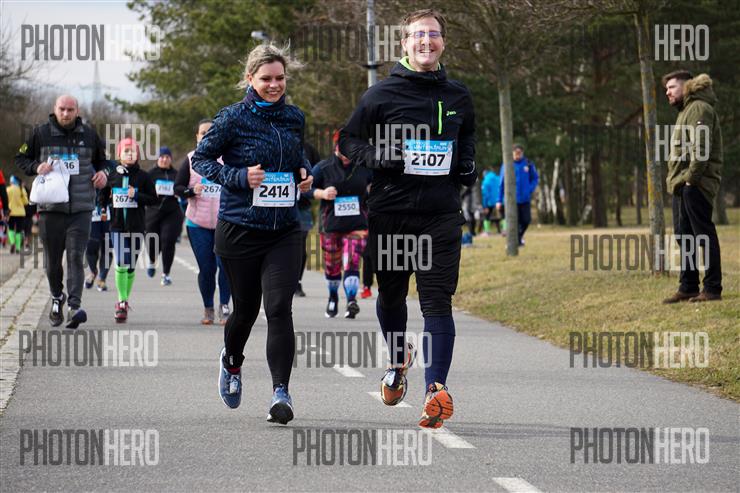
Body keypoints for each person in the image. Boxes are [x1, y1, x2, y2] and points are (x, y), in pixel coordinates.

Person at [339, 9, 476, 428]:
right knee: (391, 297)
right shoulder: (380, 94)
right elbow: (347, 141)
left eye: (433, 34)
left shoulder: (458, 95)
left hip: (440, 214)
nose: (426, 41)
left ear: (443, 43)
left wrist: (467, 163)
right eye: (418, 35)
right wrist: (378, 156)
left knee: (437, 301)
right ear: (403, 43)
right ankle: (398, 361)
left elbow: (467, 136)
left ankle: (435, 390)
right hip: (392, 213)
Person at [192, 43, 313, 424]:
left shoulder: (294, 117)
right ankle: (231, 362)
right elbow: (202, 159)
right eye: (266, 79)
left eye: (280, 78)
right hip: (240, 229)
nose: (274, 85)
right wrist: (239, 176)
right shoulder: (232, 118)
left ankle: (281, 393)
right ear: (250, 79)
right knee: (245, 310)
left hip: (284, 230)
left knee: (279, 308)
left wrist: (304, 173)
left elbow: (297, 156)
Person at [15, 94, 109, 329]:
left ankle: (74, 307)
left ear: (77, 111)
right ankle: (57, 297)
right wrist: (36, 166)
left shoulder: (90, 135)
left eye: (70, 109)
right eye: (62, 109)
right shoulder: (40, 133)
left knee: (76, 256)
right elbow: (21, 157)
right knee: (52, 261)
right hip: (50, 208)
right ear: (54, 109)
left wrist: (103, 174)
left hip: (81, 208)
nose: (66, 113)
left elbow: (104, 162)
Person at [661, 71, 723, 303]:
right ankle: (688, 286)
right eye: (666, 89)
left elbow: (701, 149)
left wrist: (691, 180)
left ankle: (712, 288)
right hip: (682, 185)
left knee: (703, 236)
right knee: (684, 236)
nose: (667, 92)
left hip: (696, 184)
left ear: (687, 86)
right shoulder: (685, 111)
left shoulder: (698, 108)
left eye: (672, 87)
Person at [174, 119, 232, 325]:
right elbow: (177, 188)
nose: (207, 135)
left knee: (226, 267)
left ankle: (224, 306)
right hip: (197, 224)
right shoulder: (191, 159)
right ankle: (208, 308)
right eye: (203, 133)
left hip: (225, 223)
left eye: (211, 132)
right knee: (207, 268)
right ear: (197, 137)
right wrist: (191, 191)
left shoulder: (229, 158)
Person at [311, 130, 372, 319]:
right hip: (331, 225)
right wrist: (322, 193)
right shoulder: (323, 167)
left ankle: (352, 300)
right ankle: (333, 297)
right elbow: (305, 189)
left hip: (357, 224)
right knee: (332, 266)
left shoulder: (364, 167)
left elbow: (378, 185)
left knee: (352, 260)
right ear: (336, 148)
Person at [108, 138, 157, 322]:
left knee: (130, 266)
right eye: (126, 151)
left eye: (133, 151)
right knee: (122, 260)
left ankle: (124, 301)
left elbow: (154, 199)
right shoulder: (112, 175)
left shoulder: (144, 177)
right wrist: (104, 203)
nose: (130, 154)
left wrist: (136, 194)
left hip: (137, 226)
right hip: (117, 226)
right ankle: (121, 302)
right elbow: (103, 195)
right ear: (119, 154)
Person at [146, 146, 184, 286]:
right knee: (152, 242)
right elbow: (143, 190)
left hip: (172, 212)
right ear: (157, 158)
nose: (164, 159)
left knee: (168, 241)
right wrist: (151, 193)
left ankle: (166, 274)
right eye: (162, 157)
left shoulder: (177, 174)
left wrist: (179, 193)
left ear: (171, 159)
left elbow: (182, 189)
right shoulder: (150, 174)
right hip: (153, 212)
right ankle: (152, 260)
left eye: (167, 157)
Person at [496, 144, 538, 246]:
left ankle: (518, 238)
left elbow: (535, 178)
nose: (517, 155)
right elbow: (501, 184)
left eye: (519, 153)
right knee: (514, 222)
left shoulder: (528, 164)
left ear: (522, 153)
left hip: (525, 199)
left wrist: (529, 189)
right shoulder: (507, 164)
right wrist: (499, 200)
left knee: (526, 220)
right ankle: (516, 241)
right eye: (516, 153)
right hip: (511, 200)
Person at [295, 141, 321, 297]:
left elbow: (316, 176)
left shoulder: (309, 149)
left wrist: (313, 189)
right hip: (278, 205)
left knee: (300, 244)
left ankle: (297, 282)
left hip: (302, 206)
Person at [84, 187, 113, 291]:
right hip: (91, 211)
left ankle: (102, 278)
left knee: (107, 248)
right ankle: (93, 271)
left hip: (108, 211)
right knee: (91, 246)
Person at [5, 176, 28, 254]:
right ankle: (18, 248)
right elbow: (26, 202)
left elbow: (5, 201)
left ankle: (12, 242)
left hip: (11, 212)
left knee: (10, 229)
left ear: (11, 181)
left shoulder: (8, 189)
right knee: (19, 230)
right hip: (21, 213)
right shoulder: (22, 189)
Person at [480, 168, 501, 235]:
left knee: (487, 216)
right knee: (503, 215)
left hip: (489, 202)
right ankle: (505, 230)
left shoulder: (485, 181)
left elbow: (485, 194)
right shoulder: (498, 178)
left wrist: (485, 206)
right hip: (499, 200)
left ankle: (487, 231)